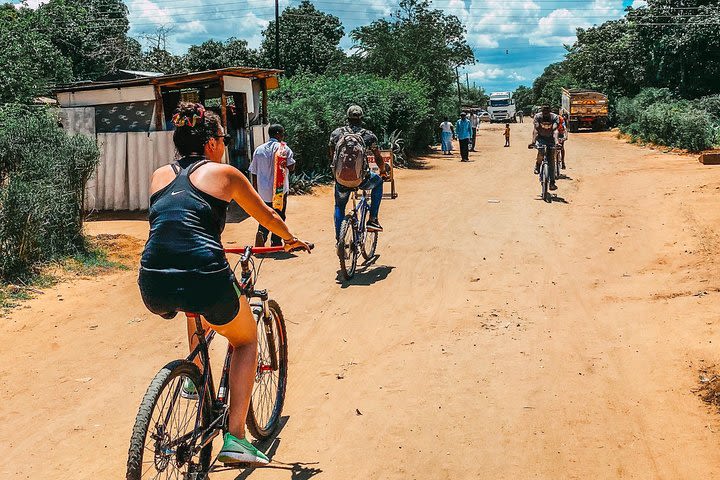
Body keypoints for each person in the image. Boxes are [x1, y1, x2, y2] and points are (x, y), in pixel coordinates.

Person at [138, 102, 310, 466]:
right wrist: (291, 238)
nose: (224, 144)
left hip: (152, 281)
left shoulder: (158, 176)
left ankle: (195, 377)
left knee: (191, 307)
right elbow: (267, 215)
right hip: (204, 275)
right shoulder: (225, 174)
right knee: (245, 340)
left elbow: (169, 225)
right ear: (212, 142)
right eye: (223, 137)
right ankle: (236, 437)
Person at [329, 105, 388, 239]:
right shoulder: (368, 135)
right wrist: (383, 171)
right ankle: (373, 219)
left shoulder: (336, 133)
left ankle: (340, 239)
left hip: (341, 180)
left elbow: (332, 155)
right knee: (378, 182)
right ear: (361, 118)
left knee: (339, 206)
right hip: (362, 179)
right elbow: (378, 157)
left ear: (347, 117)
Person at [249, 124, 295, 247]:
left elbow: (253, 172)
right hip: (280, 190)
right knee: (279, 215)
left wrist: (255, 190)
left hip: (263, 191)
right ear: (278, 134)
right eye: (283, 133)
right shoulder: (284, 149)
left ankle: (262, 234)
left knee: (265, 214)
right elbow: (291, 167)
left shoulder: (258, 150)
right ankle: (276, 241)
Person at [529, 105, 560, 191]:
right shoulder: (537, 117)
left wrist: (557, 142)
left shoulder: (554, 117)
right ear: (541, 111)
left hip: (551, 139)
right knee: (541, 151)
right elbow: (536, 130)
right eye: (544, 111)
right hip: (541, 138)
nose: (545, 112)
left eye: (547, 110)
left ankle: (552, 183)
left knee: (551, 162)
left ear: (550, 110)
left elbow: (555, 130)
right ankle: (538, 165)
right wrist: (533, 142)